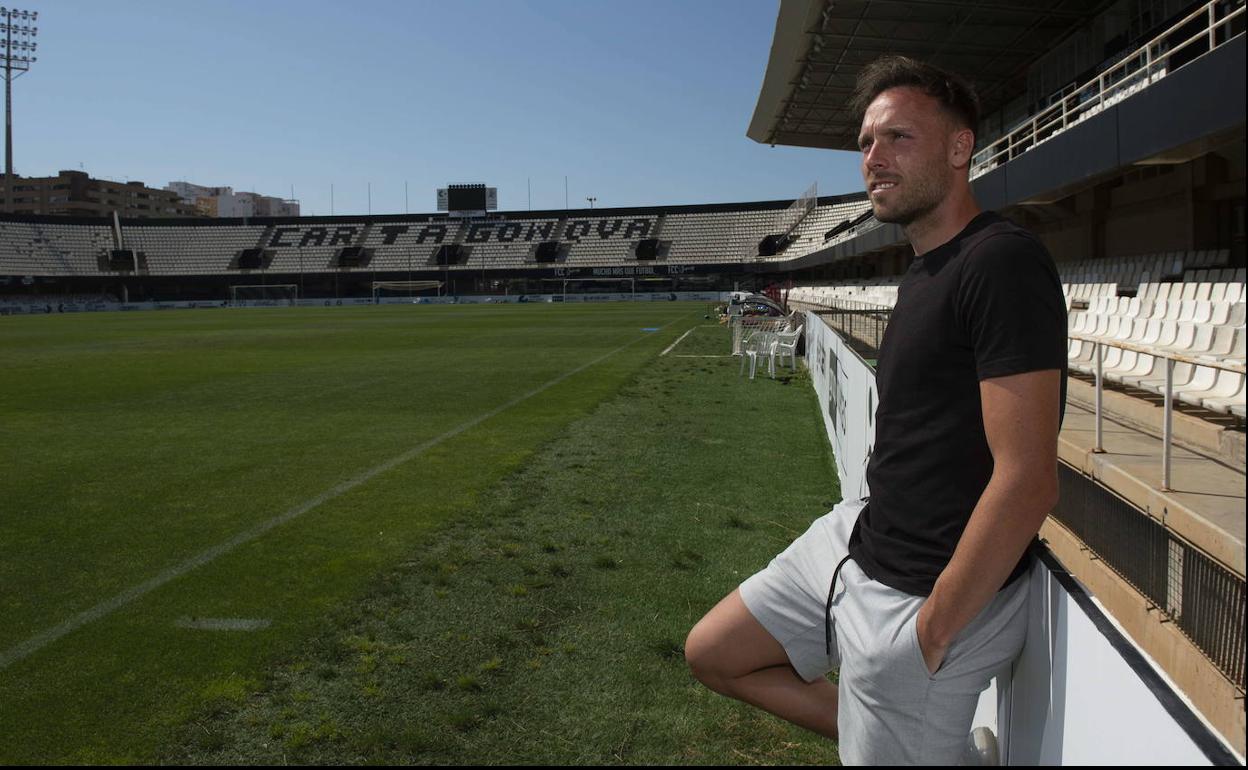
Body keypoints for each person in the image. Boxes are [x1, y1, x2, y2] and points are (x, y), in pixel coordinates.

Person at [684, 55, 1067, 765]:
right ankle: (900, 738)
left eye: (898, 138)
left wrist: (928, 636)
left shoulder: (1001, 262)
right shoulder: (926, 267)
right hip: (859, 539)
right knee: (714, 653)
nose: (873, 158)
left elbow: (1028, 478)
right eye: (865, 142)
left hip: (918, 598)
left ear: (960, 148)